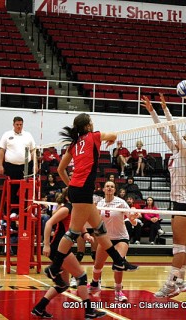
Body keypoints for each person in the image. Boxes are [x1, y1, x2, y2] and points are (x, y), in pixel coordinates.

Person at [45, 113, 138, 310]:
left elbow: (61, 169)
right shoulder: (92, 136)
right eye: (91, 122)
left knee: (100, 229)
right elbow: (112, 134)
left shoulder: (74, 144)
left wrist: (70, 186)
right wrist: (111, 138)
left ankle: (120, 261)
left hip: (77, 188)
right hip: (84, 189)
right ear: (88, 126)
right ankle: (53, 268)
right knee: (73, 232)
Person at [142, 94, 186, 298]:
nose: (180, 140)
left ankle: (171, 284)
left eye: (184, 140)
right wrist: (151, 110)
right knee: (182, 246)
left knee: (178, 247)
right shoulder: (175, 152)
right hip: (179, 202)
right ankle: (181, 281)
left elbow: (173, 129)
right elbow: (162, 131)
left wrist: (166, 109)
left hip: (184, 203)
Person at [32, 189, 105, 319]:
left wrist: (86, 234)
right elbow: (48, 223)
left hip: (63, 247)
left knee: (63, 284)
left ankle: (39, 308)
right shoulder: (66, 209)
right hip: (58, 248)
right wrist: (46, 244)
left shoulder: (75, 209)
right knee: (81, 276)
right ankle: (89, 311)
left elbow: (78, 224)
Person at [89, 181, 139, 302]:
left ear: (115, 190)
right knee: (97, 265)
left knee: (118, 264)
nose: (110, 188)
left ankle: (118, 292)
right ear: (104, 190)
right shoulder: (99, 203)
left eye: (112, 186)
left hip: (121, 237)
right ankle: (95, 285)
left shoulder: (121, 203)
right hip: (106, 238)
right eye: (107, 186)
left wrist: (132, 219)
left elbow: (133, 221)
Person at [0, 117, 36, 211]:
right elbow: (2, 150)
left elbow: (33, 151)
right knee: (13, 189)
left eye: (21, 124)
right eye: (17, 124)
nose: (19, 126)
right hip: (11, 166)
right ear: (13, 124)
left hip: (26, 166)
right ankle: (13, 211)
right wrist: (0, 165)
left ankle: (27, 210)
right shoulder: (7, 134)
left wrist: (35, 165)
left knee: (27, 189)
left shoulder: (28, 135)